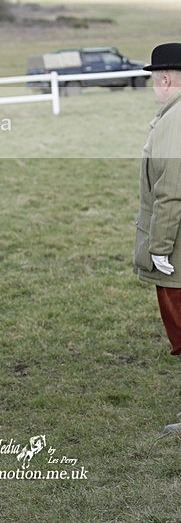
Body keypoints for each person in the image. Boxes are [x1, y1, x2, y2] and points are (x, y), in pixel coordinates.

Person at [134, 42, 181, 432]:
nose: (154, 85)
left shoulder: (174, 118)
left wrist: (159, 248)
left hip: (176, 253)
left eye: (154, 78)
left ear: (165, 78)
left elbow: (170, 189)